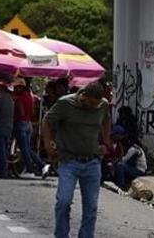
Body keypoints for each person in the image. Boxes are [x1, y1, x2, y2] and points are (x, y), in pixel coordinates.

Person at [41, 81, 111, 238]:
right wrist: (47, 144)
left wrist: (106, 140)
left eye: (96, 104)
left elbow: (106, 120)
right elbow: (47, 121)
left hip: (92, 161)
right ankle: (61, 235)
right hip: (69, 160)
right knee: (64, 201)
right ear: (83, 96)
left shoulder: (103, 105)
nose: (93, 107)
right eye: (90, 103)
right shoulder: (66, 104)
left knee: (91, 207)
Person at [12, 78, 44, 178]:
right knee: (27, 148)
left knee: (25, 149)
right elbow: (33, 112)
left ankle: (32, 169)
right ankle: (40, 165)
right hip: (28, 123)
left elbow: (21, 113)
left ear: (20, 87)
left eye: (16, 87)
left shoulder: (20, 98)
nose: (14, 89)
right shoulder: (30, 97)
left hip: (21, 123)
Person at [111, 126, 147, 191]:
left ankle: (121, 186)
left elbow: (124, 160)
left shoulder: (133, 149)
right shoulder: (130, 148)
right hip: (133, 168)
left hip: (139, 170)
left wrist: (115, 161)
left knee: (120, 166)